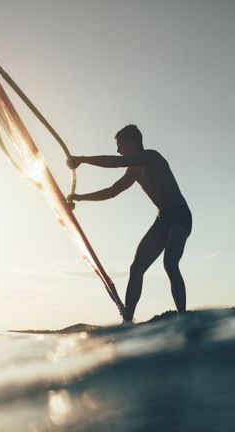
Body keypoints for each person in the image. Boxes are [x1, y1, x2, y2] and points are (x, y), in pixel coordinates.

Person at [67, 124, 192, 322]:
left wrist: (81, 159)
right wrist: (80, 197)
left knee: (170, 263)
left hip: (180, 215)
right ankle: (127, 320)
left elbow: (116, 162)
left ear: (132, 142)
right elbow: (112, 191)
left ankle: (183, 319)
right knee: (136, 268)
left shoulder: (151, 157)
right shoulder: (133, 171)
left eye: (120, 145)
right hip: (163, 219)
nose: (118, 150)